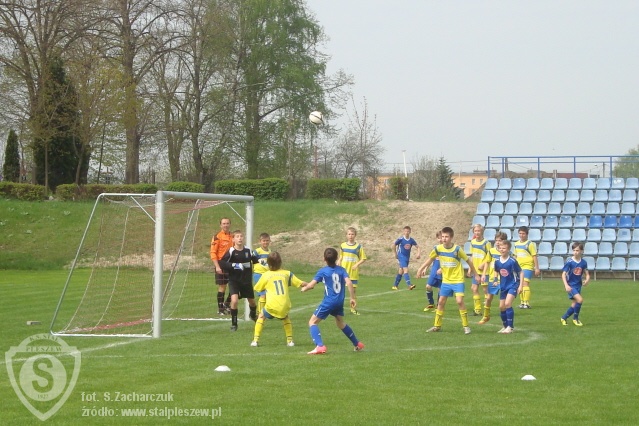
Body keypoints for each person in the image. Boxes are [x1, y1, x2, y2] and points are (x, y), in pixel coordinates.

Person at [301, 248, 365, 354]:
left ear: (324, 259)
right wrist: (352, 298)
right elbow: (349, 283)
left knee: (312, 322)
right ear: (336, 258)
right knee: (340, 323)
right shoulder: (342, 270)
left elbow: (311, 285)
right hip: (339, 302)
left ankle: (319, 346)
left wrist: (304, 288)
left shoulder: (323, 271)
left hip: (329, 302)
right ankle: (357, 344)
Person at [416, 227, 479, 335]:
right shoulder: (438, 248)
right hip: (446, 281)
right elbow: (430, 259)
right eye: (443, 236)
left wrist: (476, 274)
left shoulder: (457, 249)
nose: (444, 239)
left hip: (458, 280)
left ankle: (466, 326)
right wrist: (420, 268)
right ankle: (437, 326)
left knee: (459, 301)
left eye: (446, 237)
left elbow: (468, 261)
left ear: (451, 237)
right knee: (441, 302)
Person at [251, 252, 306, 347]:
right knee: (285, 318)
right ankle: (290, 341)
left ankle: (255, 341)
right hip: (284, 305)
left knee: (261, 316)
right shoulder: (287, 273)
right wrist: (310, 284)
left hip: (272, 305)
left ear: (268, 263)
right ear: (280, 262)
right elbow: (301, 283)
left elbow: (257, 288)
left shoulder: (266, 275)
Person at [219, 230, 259, 331]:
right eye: (237, 236)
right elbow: (222, 263)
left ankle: (252, 315)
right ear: (233, 239)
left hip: (246, 281)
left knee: (252, 302)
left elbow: (256, 261)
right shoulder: (231, 251)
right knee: (234, 300)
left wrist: (262, 263)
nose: (240, 238)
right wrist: (233, 265)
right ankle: (234, 324)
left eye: (241, 236)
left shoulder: (248, 251)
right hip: (234, 280)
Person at [493, 240, 524, 334]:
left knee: (507, 304)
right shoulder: (497, 261)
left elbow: (521, 272)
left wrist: (521, 286)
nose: (502, 250)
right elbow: (496, 271)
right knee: (501, 307)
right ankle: (505, 326)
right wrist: (495, 280)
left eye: (504, 248)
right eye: (500, 248)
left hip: (513, 285)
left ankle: (510, 327)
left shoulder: (512, 261)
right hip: (503, 286)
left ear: (508, 249)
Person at [478, 232, 508, 325]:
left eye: (500, 240)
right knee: (488, 298)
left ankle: (506, 319)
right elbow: (487, 262)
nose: (498, 242)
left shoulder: (507, 252)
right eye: (496, 240)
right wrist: (484, 274)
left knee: (504, 302)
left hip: (504, 279)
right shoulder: (491, 251)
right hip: (493, 278)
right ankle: (486, 316)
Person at [338, 227, 367, 315]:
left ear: (355, 235)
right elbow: (341, 256)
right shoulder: (343, 245)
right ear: (346, 235)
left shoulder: (358, 246)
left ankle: (353, 309)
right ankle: (338, 308)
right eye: (349, 234)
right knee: (340, 291)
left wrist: (356, 264)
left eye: (352, 234)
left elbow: (363, 258)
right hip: (343, 271)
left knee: (353, 291)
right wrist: (339, 261)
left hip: (353, 272)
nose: (350, 236)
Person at [560, 242, 590, 327]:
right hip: (571, 285)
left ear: (581, 251)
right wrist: (566, 285)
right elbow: (563, 274)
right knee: (580, 300)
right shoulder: (569, 262)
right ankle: (575, 319)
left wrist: (587, 280)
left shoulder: (583, 262)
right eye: (574, 250)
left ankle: (564, 318)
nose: (575, 252)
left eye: (577, 250)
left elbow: (587, 274)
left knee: (574, 304)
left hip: (578, 285)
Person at [210, 217, 233, 315]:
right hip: (221, 263)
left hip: (231, 264)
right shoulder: (217, 237)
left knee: (235, 285)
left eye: (227, 223)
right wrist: (217, 266)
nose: (226, 225)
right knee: (222, 286)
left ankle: (227, 304)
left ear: (230, 224)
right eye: (224, 223)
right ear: (220, 225)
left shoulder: (233, 236)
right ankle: (220, 309)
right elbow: (213, 252)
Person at [513, 226, 540, 309]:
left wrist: (536, 268)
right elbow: (515, 256)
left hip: (527, 266)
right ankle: (522, 302)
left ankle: (526, 303)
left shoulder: (530, 244)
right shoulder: (516, 244)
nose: (521, 235)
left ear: (527, 234)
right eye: (520, 233)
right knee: (520, 284)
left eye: (523, 233)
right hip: (519, 267)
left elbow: (534, 256)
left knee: (525, 283)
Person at [469, 224, 492, 316]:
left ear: (482, 231)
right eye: (475, 231)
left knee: (485, 289)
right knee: (474, 288)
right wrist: (470, 268)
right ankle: (477, 310)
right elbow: (472, 256)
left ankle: (487, 309)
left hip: (484, 271)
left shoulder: (486, 243)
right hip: (476, 271)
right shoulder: (473, 242)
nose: (477, 232)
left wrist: (483, 264)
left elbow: (489, 256)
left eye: (479, 231)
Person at [392, 226, 421, 290]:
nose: (406, 232)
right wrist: (395, 254)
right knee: (406, 270)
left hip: (407, 257)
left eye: (408, 231)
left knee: (401, 271)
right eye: (405, 231)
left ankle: (395, 285)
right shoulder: (401, 239)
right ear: (403, 232)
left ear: (410, 232)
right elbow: (394, 245)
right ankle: (409, 285)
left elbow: (418, 247)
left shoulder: (411, 240)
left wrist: (418, 253)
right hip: (401, 256)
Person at [252, 233, 272, 315]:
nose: (265, 242)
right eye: (264, 241)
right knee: (263, 294)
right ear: (260, 241)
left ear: (269, 241)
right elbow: (251, 258)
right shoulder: (257, 251)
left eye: (267, 241)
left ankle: (263, 311)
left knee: (268, 295)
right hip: (259, 274)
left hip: (267, 275)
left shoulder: (270, 252)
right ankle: (260, 313)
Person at [423, 230, 443, 312]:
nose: (440, 239)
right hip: (434, 270)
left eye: (441, 237)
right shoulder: (435, 248)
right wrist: (425, 268)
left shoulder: (446, 248)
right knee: (428, 286)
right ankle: (431, 303)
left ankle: (438, 306)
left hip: (442, 271)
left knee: (440, 289)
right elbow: (431, 259)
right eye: (438, 238)